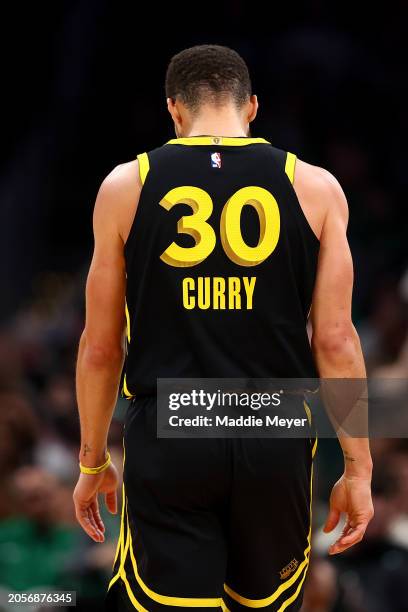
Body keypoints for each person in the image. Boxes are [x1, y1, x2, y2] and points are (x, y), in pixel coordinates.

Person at [73, 45, 374, 611]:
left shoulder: (125, 185)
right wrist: (358, 467)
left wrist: (93, 460)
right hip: (274, 431)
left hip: (171, 430)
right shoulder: (316, 187)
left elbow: (99, 348)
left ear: (174, 111)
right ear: (252, 107)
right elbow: (335, 341)